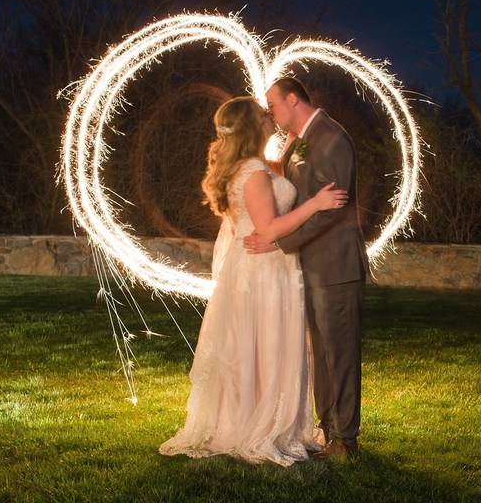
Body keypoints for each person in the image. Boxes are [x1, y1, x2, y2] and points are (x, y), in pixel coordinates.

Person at [158, 95, 348, 467]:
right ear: (251, 125)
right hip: (265, 269)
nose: (268, 115)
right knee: (265, 343)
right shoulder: (254, 173)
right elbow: (270, 228)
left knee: (256, 344)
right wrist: (315, 204)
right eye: (262, 113)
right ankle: (260, 426)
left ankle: (250, 417)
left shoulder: (254, 167)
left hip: (255, 268)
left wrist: (294, 148)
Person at [244, 76, 369, 461]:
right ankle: (327, 430)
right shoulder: (297, 141)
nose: (270, 112)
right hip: (311, 266)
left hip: (335, 264)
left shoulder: (333, 139)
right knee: (322, 354)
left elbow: (330, 211)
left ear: (293, 99)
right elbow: (296, 192)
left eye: (273, 105)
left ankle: (345, 440)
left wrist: (279, 241)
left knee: (340, 352)